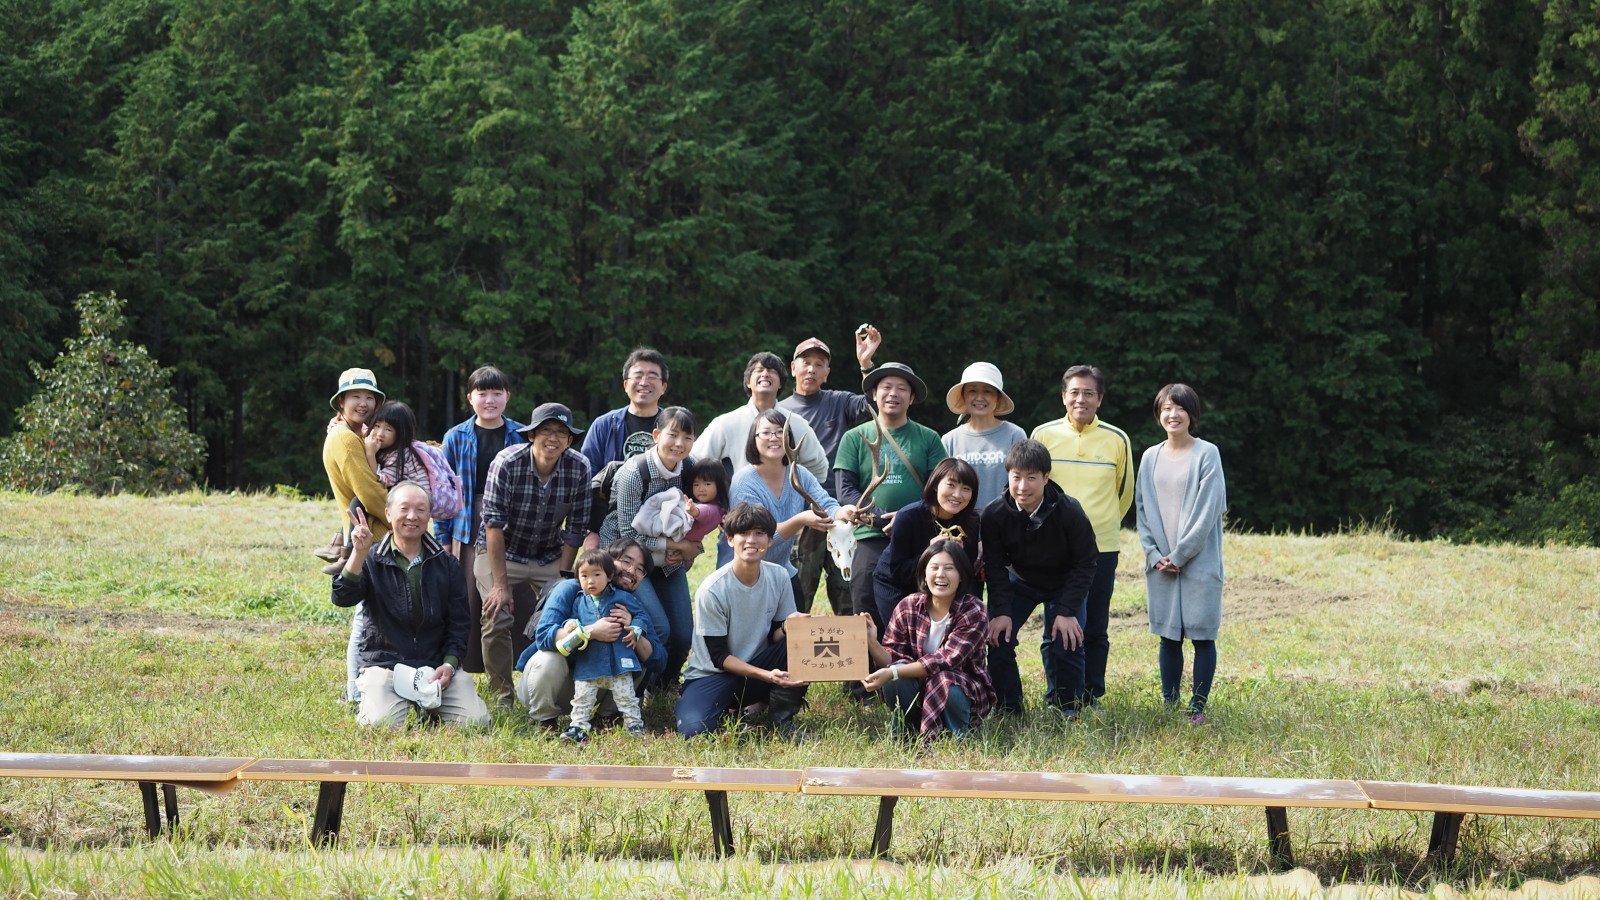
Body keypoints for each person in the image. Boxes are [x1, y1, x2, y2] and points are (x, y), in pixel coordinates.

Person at [332, 482, 491, 728]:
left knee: (476, 723)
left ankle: (427, 705)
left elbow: (459, 622)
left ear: (429, 515)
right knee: (379, 725)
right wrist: (358, 553)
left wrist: (449, 664)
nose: (412, 516)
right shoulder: (372, 558)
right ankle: (400, 703)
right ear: (388, 514)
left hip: (435, 667)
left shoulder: (446, 563)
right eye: (404, 508)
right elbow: (342, 597)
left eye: (420, 510)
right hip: (385, 666)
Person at [1030, 364, 1134, 709]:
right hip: (1052, 550)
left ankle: (1091, 695)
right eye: (1074, 392)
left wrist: (1098, 528)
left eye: (1089, 393)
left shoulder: (1118, 439)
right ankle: (1057, 695)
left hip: (1102, 547)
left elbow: (1124, 494)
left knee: (1095, 627)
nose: (1081, 399)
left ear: (1100, 399)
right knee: (1054, 627)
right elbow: (1032, 488)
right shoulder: (1042, 435)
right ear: (1063, 397)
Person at [476, 402, 594, 708]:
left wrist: (561, 581)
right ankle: (502, 693)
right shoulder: (506, 462)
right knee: (495, 613)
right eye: (545, 431)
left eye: (561, 433)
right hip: (500, 551)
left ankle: (553, 689)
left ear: (569, 440)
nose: (552, 438)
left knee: (565, 613)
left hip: (550, 554)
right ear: (531, 435)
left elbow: (576, 529)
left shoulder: (579, 467)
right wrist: (501, 585)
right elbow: (493, 524)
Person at [981, 440, 1100, 717]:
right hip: (1019, 582)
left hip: (1064, 582)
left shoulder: (1070, 510)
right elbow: (995, 566)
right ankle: (1008, 707)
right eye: (1016, 477)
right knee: (998, 638)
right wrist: (1000, 611)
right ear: (1007, 476)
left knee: (1067, 640)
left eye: (1032, 478)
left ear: (1046, 478)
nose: (1023, 486)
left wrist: (1067, 610)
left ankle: (1067, 707)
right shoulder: (994, 514)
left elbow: (1086, 562)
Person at [676, 503, 810, 738]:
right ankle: (729, 711)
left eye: (759, 534)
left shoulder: (779, 576)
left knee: (802, 642)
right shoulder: (713, 589)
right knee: (694, 732)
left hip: (758, 666)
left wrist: (790, 628)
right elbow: (719, 657)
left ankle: (782, 721)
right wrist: (767, 676)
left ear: (770, 541)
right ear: (729, 539)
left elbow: (775, 635)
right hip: (714, 675)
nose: (751, 540)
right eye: (743, 533)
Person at [1134, 384, 1226, 724]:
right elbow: (1142, 509)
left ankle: (1197, 706)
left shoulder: (1207, 454)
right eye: (1166, 408)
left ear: (1192, 414)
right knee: (1168, 635)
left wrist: (1181, 554)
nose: (1172, 414)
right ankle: (1169, 703)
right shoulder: (1149, 456)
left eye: (1180, 408)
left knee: (1202, 634)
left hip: (1198, 561)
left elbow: (1208, 510)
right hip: (1160, 563)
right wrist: (1153, 552)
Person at [833, 362, 947, 626]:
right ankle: (873, 666)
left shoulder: (929, 439)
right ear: (874, 394)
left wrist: (907, 517)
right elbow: (845, 490)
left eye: (901, 389)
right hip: (870, 537)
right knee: (866, 612)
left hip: (920, 539)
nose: (893, 394)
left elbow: (940, 489)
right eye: (886, 387)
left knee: (921, 610)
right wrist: (879, 518)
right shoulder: (854, 437)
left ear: (912, 397)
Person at [598, 406, 702, 688]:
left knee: (683, 633)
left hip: (669, 559)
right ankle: (639, 689)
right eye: (672, 434)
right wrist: (676, 545)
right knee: (659, 628)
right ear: (656, 435)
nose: (679, 443)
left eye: (687, 437)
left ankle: (665, 685)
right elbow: (628, 532)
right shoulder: (635, 472)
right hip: (628, 559)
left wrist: (690, 548)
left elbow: (703, 512)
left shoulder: (692, 468)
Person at [779, 330, 881, 615]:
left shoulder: (839, 402)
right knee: (798, 594)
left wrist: (866, 364)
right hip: (802, 516)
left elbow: (874, 404)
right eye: (806, 361)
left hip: (841, 514)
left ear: (827, 372)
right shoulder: (780, 412)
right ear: (794, 367)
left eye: (819, 364)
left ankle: (853, 656)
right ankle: (789, 656)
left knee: (848, 595)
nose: (811, 368)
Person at [517, 537, 664, 728]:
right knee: (550, 657)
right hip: (554, 683)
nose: (631, 571)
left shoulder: (630, 603)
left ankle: (605, 718)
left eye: (640, 569)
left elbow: (659, 660)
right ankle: (544, 720)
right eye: (626, 561)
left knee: (638, 655)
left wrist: (634, 631)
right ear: (608, 561)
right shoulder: (570, 588)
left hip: (594, 688)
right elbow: (544, 636)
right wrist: (591, 631)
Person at [436, 366, 526, 675]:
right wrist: (444, 539)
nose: (490, 400)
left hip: (512, 523)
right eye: (482, 393)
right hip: (467, 522)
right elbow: (443, 493)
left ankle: (514, 666)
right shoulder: (455, 437)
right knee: (470, 596)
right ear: (470, 398)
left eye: (497, 393)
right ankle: (469, 665)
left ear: (507, 397)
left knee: (513, 592)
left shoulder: (522, 434)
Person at [862, 541, 994, 738]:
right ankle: (906, 730)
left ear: (962, 576)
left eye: (949, 568)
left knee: (943, 679)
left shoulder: (973, 610)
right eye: (934, 568)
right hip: (919, 688)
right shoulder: (908, 606)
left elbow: (945, 660)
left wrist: (893, 672)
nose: (941, 574)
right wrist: (872, 642)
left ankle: (957, 735)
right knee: (895, 676)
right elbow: (892, 661)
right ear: (924, 573)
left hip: (962, 688)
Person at [729, 410, 851, 611]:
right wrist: (800, 519)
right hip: (750, 573)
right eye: (766, 433)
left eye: (780, 432)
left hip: (784, 571)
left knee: (794, 633)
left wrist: (842, 512)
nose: (774, 438)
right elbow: (758, 540)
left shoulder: (798, 473)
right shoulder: (744, 483)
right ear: (754, 439)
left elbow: (825, 503)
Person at [321, 368, 391, 703]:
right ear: (341, 403)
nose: (363, 403)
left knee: (370, 616)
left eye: (369, 397)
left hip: (369, 533)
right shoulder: (345, 439)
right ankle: (354, 693)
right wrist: (405, 515)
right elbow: (368, 490)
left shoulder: (352, 434)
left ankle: (360, 690)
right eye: (355, 397)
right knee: (365, 620)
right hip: (371, 535)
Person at [870, 457, 982, 626]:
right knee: (904, 641)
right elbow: (897, 570)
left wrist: (960, 557)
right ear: (936, 484)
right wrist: (929, 554)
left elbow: (967, 572)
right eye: (951, 485)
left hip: (940, 587)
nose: (957, 495)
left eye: (966, 488)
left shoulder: (971, 521)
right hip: (896, 585)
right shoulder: (908, 516)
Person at [693, 351, 830, 488]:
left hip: (788, 508)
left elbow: (819, 468)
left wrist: (796, 493)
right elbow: (696, 461)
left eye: (772, 371)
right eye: (759, 370)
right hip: (738, 506)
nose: (765, 374)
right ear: (748, 382)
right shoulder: (726, 423)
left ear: (781, 383)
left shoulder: (796, 424)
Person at [554, 550, 651, 741]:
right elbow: (572, 621)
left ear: (609, 576)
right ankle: (578, 728)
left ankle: (634, 725)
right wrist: (570, 624)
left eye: (597, 575)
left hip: (619, 664)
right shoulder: (579, 601)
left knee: (627, 698)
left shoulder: (622, 598)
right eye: (584, 576)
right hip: (590, 663)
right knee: (582, 699)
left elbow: (642, 616)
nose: (591, 581)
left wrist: (636, 628)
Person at [941, 362, 1027, 512]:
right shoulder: (949, 440)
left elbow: (1023, 485)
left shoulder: (1015, 435)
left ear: (998, 398)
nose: (980, 397)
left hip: (1004, 525)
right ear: (963, 396)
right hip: (961, 528)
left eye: (987, 391)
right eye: (972, 391)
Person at [581, 348, 670, 474]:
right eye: (638, 376)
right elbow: (587, 472)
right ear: (625, 385)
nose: (644, 382)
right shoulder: (604, 425)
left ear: (663, 388)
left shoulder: (674, 425)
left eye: (652, 377)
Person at [363, 401, 430, 488]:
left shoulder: (401, 455)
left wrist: (370, 454)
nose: (380, 433)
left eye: (388, 429)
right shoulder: (389, 448)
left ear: (401, 434)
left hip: (416, 499)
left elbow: (380, 483)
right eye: (377, 426)